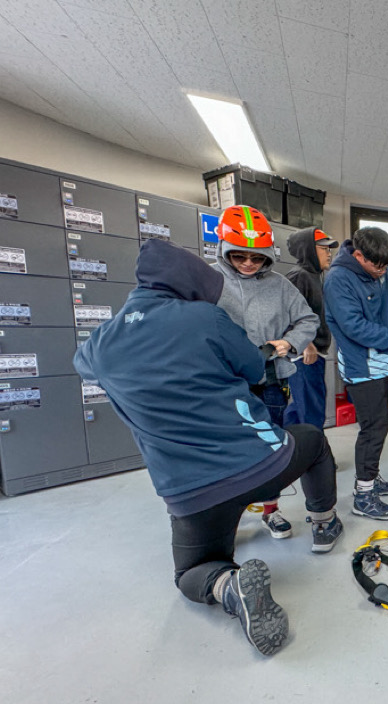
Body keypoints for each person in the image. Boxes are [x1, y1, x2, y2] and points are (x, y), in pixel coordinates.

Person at [74, 240, 342, 656]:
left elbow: (84, 366)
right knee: (313, 439)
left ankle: (227, 587)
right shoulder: (205, 318)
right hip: (260, 464)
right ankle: (324, 521)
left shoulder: (100, 343)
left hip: (192, 492)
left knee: (191, 572)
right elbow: (254, 366)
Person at [211, 205, 319, 539]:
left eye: (256, 258)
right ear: (224, 249)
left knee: (271, 447)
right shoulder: (209, 280)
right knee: (227, 450)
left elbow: (308, 320)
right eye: (239, 256)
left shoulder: (280, 286)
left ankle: (270, 510)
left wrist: (289, 343)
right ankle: (224, 518)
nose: (247, 263)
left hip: (270, 380)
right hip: (223, 382)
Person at [323, 226, 388, 520]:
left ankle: (371, 476)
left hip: (383, 365)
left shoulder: (380, 274)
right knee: (372, 431)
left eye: (387, 266)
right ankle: (363, 495)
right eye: (377, 266)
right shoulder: (339, 279)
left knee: (380, 425)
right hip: (363, 368)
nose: (382, 272)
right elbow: (355, 327)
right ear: (359, 255)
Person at [283, 227, 338, 430]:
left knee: (299, 409)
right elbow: (286, 316)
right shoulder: (299, 276)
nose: (329, 253)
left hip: (314, 352)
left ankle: (291, 452)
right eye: (324, 248)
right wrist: (305, 344)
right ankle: (316, 458)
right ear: (309, 250)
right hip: (305, 356)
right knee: (311, 412)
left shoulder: (314, 275)